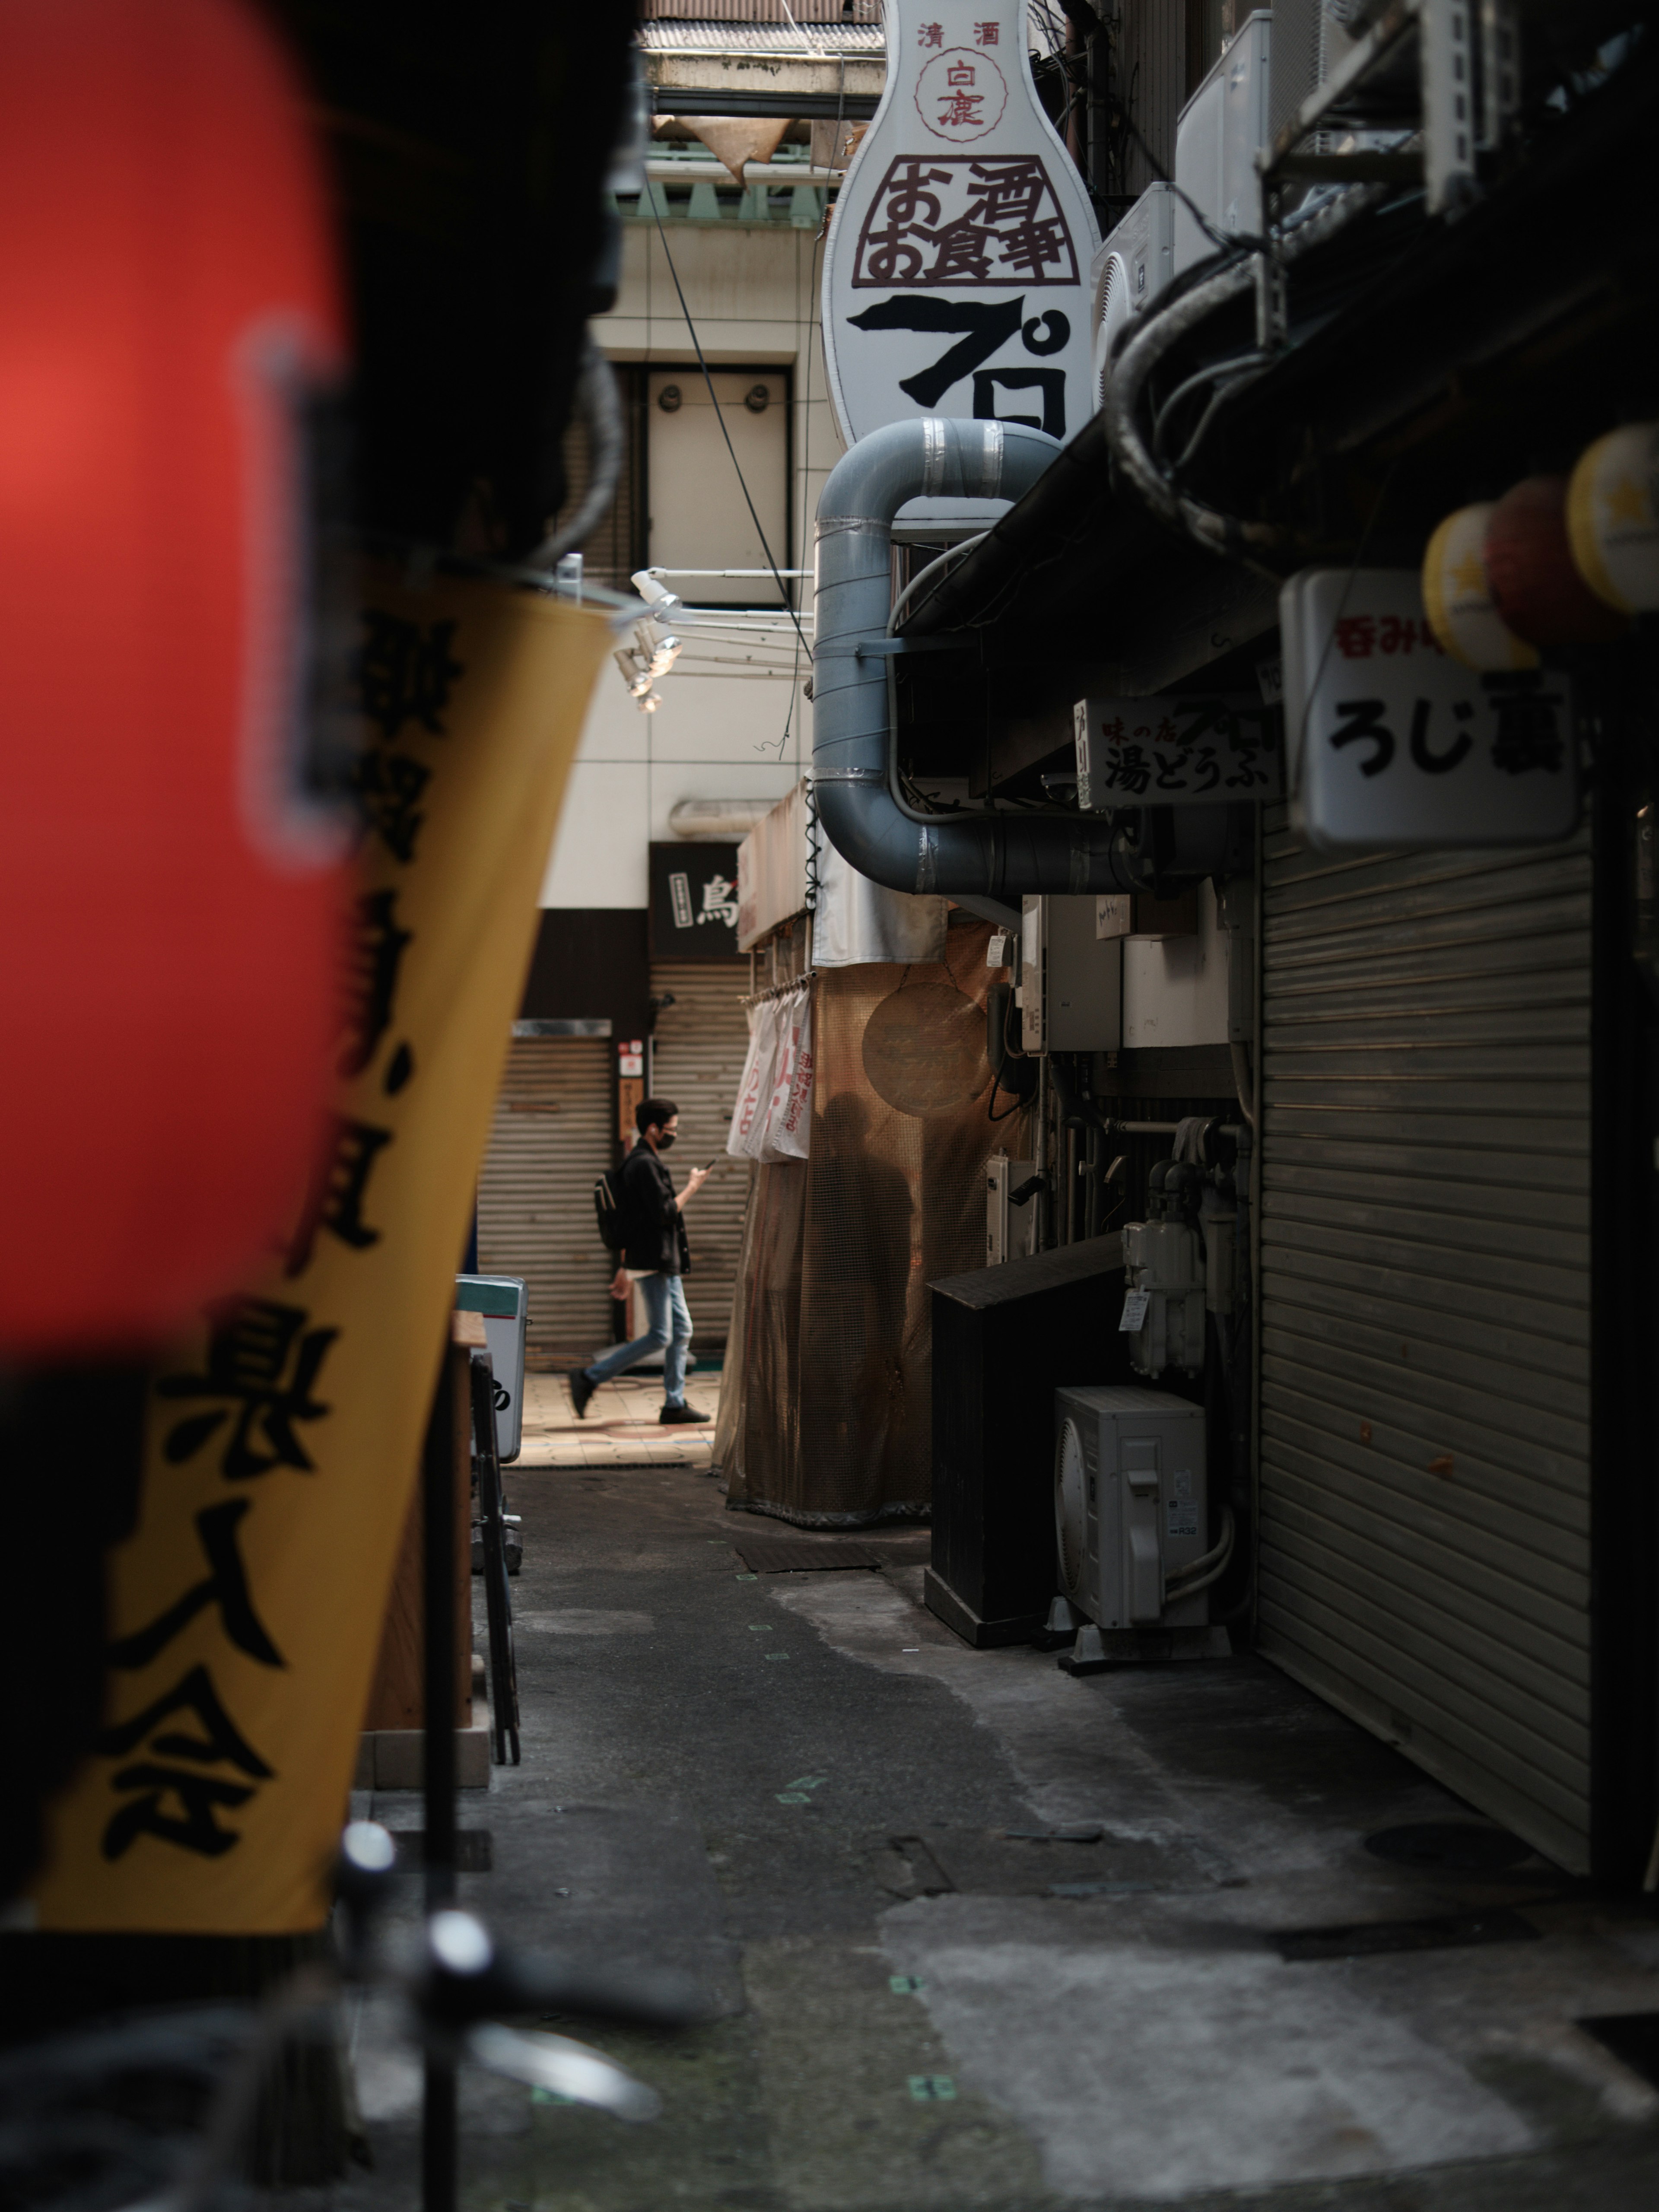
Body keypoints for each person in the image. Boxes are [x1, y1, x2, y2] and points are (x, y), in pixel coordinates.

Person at [570, 1098, 710, 1425]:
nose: (675, 1134)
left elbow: (636, 1220)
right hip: (655, 1260)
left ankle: (674, 1403)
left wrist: (624, 1267)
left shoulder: (642, 1161)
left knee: (681, 1331)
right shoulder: (644, 1164)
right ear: (653, 1129)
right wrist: (693, 1186)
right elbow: (664, 1213)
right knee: (663, 1335)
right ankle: (590, 1377)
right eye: (672, 1129)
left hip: (658, 1259)